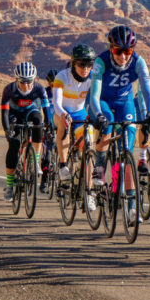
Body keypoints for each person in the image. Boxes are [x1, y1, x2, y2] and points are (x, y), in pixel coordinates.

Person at [88, 25, 150, 225]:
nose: (124, 56)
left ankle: (133, 207)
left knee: (127, 150)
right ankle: (99, 165)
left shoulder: (138, 62)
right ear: (111, 48)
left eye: (128, 51)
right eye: (119, 51)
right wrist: (99, 114)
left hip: (125, 102)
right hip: (103, 102)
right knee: (107, 123)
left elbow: (147, 90)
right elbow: (94, 94)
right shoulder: (101, 61)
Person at [52, 44, 95, 210]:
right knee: (63, 125)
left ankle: (89, 192)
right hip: (60, 111)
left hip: (80, 113)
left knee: (89, 142)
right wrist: (62, 114)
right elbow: (56, 102)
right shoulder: (62, 76)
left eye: (89, 64)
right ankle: (63, 166)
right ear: (73, 63)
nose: (85, 68)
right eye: (81, 64)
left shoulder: (93, 77)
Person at [0, 62, 51, 202]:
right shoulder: (9, 89)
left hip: (30, 112)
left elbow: (46, 110)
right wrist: (7, 130)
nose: (27, 85)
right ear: (16, 79)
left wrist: (49, 125)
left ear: (34, 79)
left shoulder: (39, 88)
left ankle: (35, 163)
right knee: (14, 144)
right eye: (23, 81)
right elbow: (4, 113)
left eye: (29, 81)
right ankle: (9, 186)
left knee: (38, 119)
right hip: (14, 115)